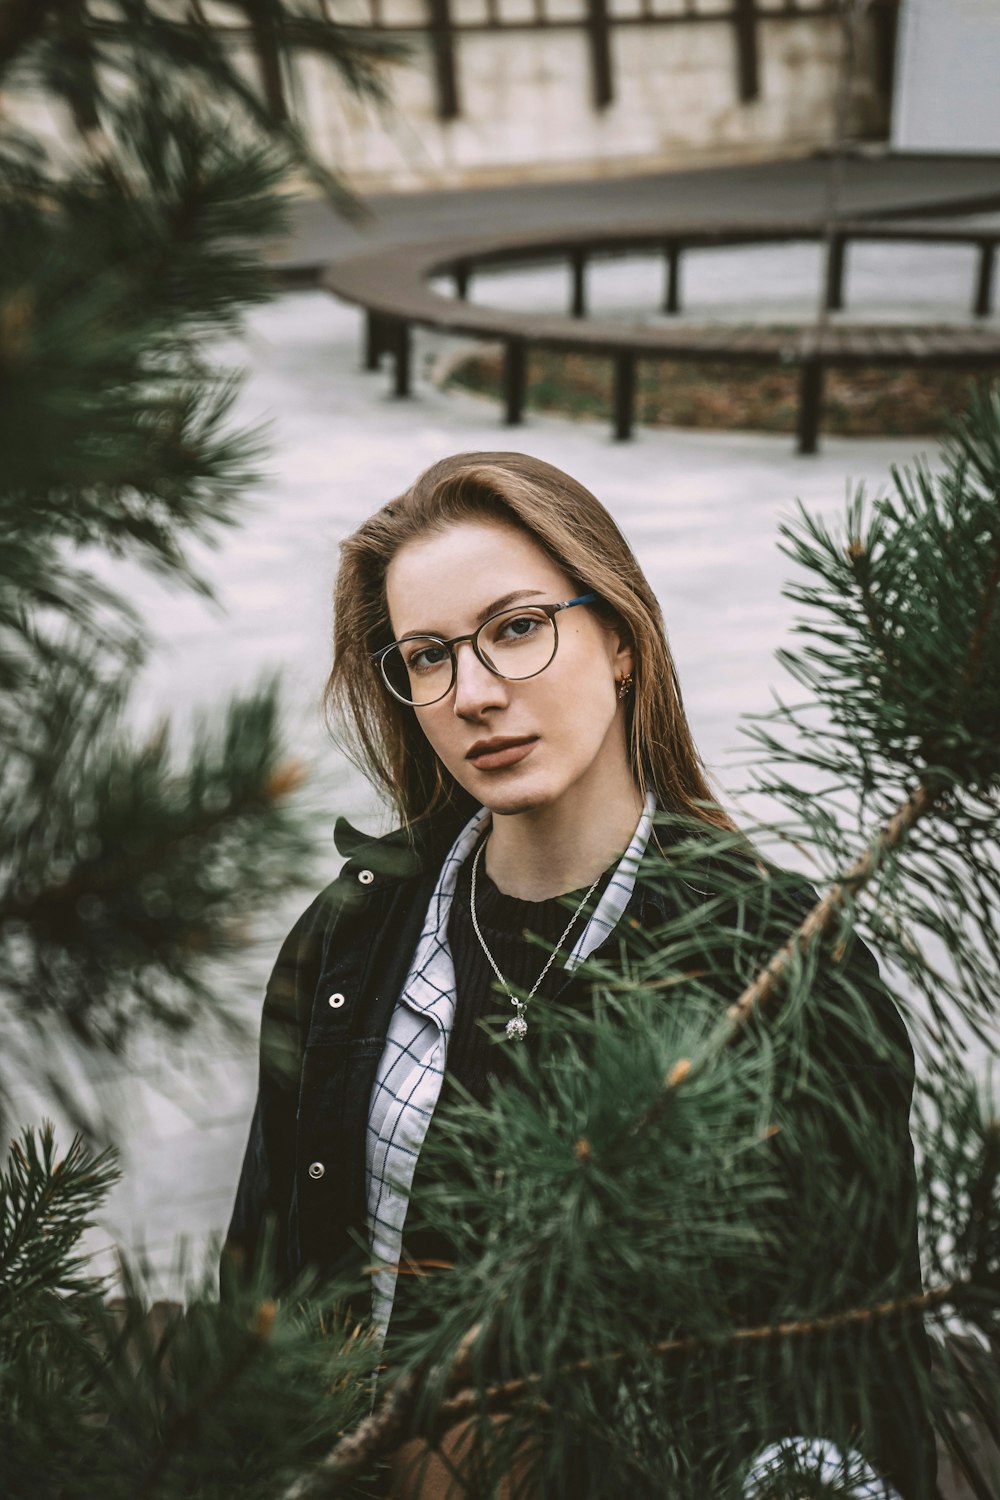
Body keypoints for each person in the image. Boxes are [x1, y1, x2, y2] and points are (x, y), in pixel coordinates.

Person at [223, 452, 937, 1499]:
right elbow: (262, 1277)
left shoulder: (779, 963)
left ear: (619, 638)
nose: (473, 695)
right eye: (427, 657)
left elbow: (852, 1364)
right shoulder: (354, 930)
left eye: (516, 627)